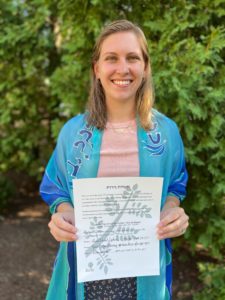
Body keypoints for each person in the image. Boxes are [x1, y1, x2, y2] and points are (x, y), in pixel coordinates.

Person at [40, 19, 189, 300]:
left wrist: (173, 211)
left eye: (132, 58)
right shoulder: (73, 134)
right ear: (97, 69)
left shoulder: (167, 133)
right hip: (86, 274)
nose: (123, 68)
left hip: (145, 274)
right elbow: (56, 188)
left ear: (145, 68)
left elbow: (175, 186)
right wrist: (62, 213)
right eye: (111, 58)